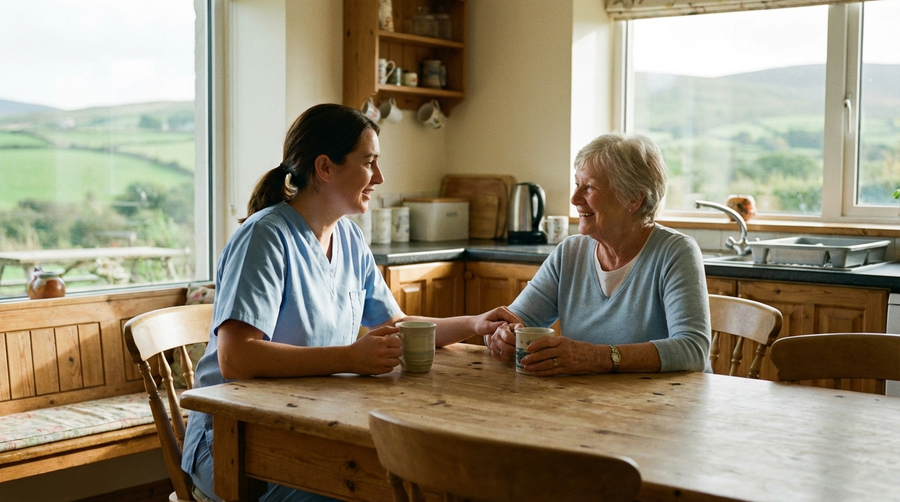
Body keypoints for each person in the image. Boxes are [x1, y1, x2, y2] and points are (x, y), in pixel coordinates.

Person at [181, 103, 517, 502]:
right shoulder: (264, 238)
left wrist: (474, 324)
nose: (379, 177)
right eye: (369, 162)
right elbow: (237, 358)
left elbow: (399, 324)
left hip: (309, 421)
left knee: (421, 476)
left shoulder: (350, 240)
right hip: (235, 442)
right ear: (325, 167)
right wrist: (350, 358)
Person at [485, 132, 710, 376]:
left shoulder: (675, 253)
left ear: (633, 198)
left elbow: (692, 350)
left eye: (590, 186)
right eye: (576, 184)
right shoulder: (570, 253)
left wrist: (596, 357)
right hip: (590, 401)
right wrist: (501, 336)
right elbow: (517, 319)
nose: (574, 199)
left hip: (665, 405)